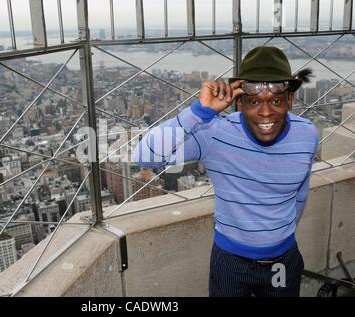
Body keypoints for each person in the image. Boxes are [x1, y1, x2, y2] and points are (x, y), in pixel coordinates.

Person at [132, 46, 319, 297]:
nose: (265, 113)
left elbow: (300, 193)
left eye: (276, 100)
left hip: (281, 262)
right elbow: (145, 156)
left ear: (290, 100)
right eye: (253, 101)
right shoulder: (214, 134)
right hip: (231, 263)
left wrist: (276, 236)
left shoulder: (306, 134)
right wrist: (199, 112)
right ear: (239, 101)